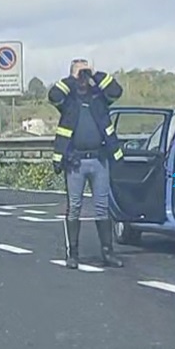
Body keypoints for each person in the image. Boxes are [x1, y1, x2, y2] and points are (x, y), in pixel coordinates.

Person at [47, 58, 124, 269]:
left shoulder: (99, 98)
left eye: (86, 71)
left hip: (99, 160)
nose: (84, 76)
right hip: (76, 162)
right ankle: (73, 254)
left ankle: (107, 253)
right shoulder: (68, 102)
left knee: (102, 207)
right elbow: (53, 95)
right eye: (80, 73)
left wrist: (95, 75)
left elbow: (117, 91)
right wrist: (73, 79)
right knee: (75, 208)